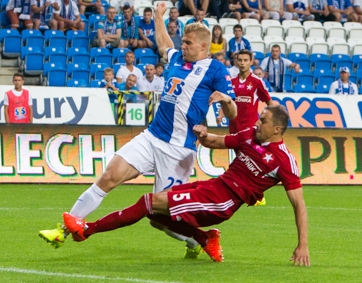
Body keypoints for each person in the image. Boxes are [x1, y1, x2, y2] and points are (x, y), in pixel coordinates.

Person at [40, 3, 237, 252]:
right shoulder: (177, 58)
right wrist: (158, 18)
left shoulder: (216, 70)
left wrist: (227, 101)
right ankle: (63, 230)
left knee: (161, 219)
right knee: (109, 176)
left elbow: (234, 113)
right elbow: (165, 43)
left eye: (187, 43)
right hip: (152, 136)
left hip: (178, 150)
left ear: (202, 47)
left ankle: (200, 239)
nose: (182, 45)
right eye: (183, 41)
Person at [61, 106, 309, 266]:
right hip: (214, 186)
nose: (256, 123)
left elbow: (299, 205)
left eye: (262, 121)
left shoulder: (285, 161)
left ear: (277, 129)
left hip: (223, 201)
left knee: (149, 202)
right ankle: (205, 238)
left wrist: (302, 245)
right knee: (156, 218)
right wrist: (203, 135)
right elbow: (217, 142)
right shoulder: (248, 135)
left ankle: (86, 231)